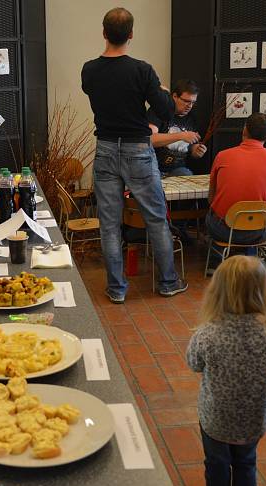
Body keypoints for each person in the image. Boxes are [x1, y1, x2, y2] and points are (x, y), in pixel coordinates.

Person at [81, 7, 187, 303]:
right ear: (131, 35)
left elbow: (93, 91)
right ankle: (167, 282)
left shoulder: (89, 69)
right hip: (138, 149)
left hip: (104, 148)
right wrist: (162, 89)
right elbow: (167, 110)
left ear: (104, 33)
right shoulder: (142, 70)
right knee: (156, 219)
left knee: (110, 223)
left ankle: (116, 289)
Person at [186, 255, 266, 486]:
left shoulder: (208, 333)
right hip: (252, 421)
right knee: (246, 463)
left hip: (215, 419)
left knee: (216, 464)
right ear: (262, 292)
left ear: (216, 291)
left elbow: (194, 363)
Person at [205, 113, 266, 276]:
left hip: (222, 229)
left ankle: (216, 260)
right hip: (258, 231)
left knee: (213, 211)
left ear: (244, 130)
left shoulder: (223, 155)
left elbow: (211, 197)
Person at [148, 79, 207, 177]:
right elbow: (149, 139)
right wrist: (181, 136)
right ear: (174, 96)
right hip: (153, 167)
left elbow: (188, 147)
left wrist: (195, 150)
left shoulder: (192, 117)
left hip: (178, 169)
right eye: (186, 101)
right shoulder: (159, 111)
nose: (190, 106)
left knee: (186, 176)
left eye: (193, 102)